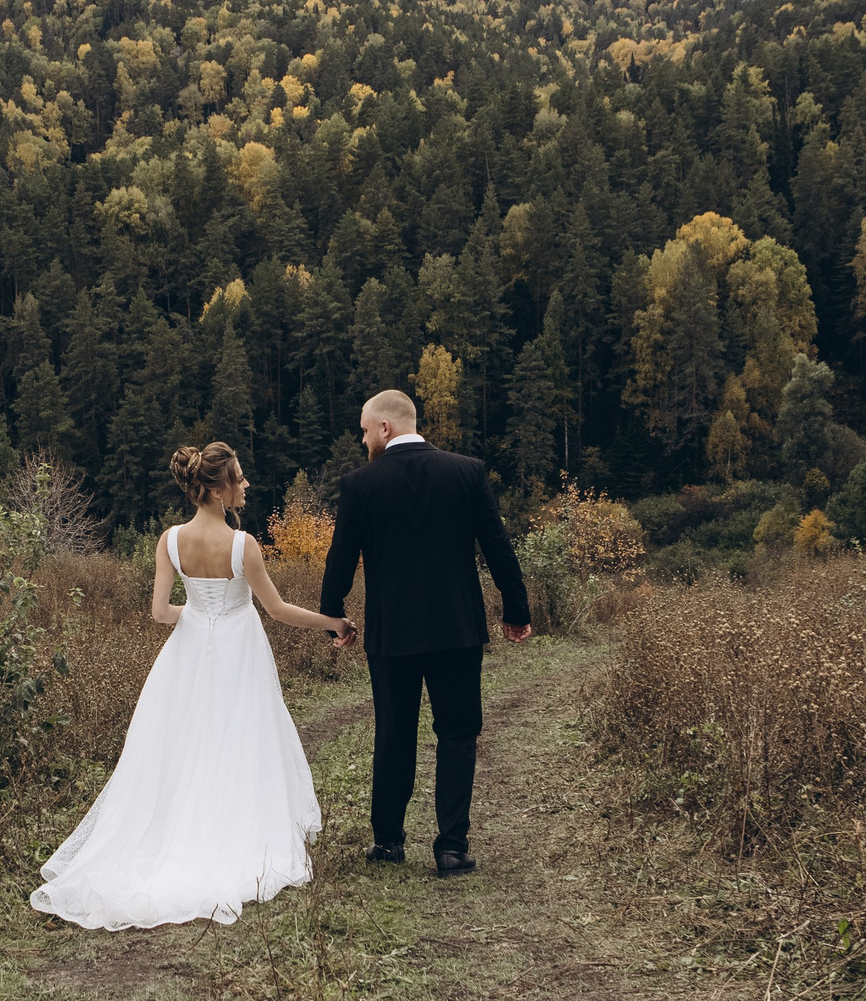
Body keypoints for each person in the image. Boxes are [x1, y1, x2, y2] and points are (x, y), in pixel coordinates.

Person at [29, 442, 348, 929]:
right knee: (237, 740)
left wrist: (199, 616)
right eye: (239, 480)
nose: (245, 486)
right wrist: (333, 623)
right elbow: (278, 611)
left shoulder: (170, 540)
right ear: (219, 490)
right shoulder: (243, 546)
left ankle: (172, 834)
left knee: (185, 746)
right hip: (240, 651)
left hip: (188, 650)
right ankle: (229, 834)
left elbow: (160, 613)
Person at [318, 389, 532, 878]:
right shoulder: (466, 471)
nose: (363, 436)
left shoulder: (359, 485)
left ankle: (389, 842)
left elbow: (341, 558)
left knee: (394, 732)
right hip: (457, 629)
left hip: (393, 634)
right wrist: (515, 610)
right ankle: (452, 848)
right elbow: (498, 546)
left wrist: (335, 617)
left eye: (365, 428)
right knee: (458, 732)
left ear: (387, 428)